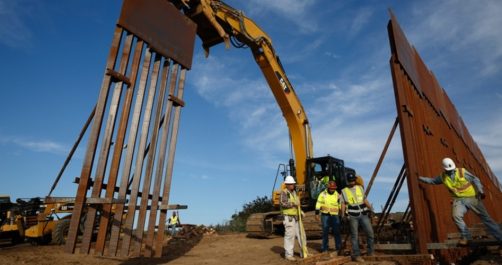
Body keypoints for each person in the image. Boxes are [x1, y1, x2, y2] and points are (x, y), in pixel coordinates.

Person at [419, 157, 502, 245]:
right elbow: (433, 181)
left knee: (486, 219)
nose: (451, 171)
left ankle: (500, 238)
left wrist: (480, 190)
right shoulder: (443, 177)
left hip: (472, 198)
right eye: (449, 170)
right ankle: (466, 237)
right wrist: (420, 178)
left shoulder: (461, 172)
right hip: (459, 200)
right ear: (444, 169)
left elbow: (475, 179)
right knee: (456, 216)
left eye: (452, 169)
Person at [340, 172, 374, 262]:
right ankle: (356, 255)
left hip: (363, 214)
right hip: (352, 215)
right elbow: (343, 204)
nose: (352, 182)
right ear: (348, 181)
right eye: (350, 181)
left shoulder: (360, 188)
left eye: (353, 181)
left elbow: (364, 200)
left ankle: (370, 252)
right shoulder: (344, 191)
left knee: (370, 233)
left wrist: (370, 208)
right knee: (354, 236)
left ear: (354, 180)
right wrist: (343, 215)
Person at [280, 175, 306, 261]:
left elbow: (297, 205)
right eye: (291, 184)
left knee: (301, 235)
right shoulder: (284, 193)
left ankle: (304, 253)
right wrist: (293, 204)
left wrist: (301, 211)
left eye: (293, 184)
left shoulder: (294, 193)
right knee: (290, 236)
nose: (292, 185)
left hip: (296, 217)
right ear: (286, 184)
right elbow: (283, 203)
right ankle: (288, 255)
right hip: (289, 218)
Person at [315, 180, 342, 253]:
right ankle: (324, 248)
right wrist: (317, 213)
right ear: (328, 187)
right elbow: (318, 203)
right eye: (331, 188)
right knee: (325, 232)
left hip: (335, 216)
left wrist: (342, 213)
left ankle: (338, 248)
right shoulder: (322, 194)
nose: (332, 190)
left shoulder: (338, 195)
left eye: (334, 188)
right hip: (325, 215)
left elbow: (340, 205)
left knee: (337, 231)